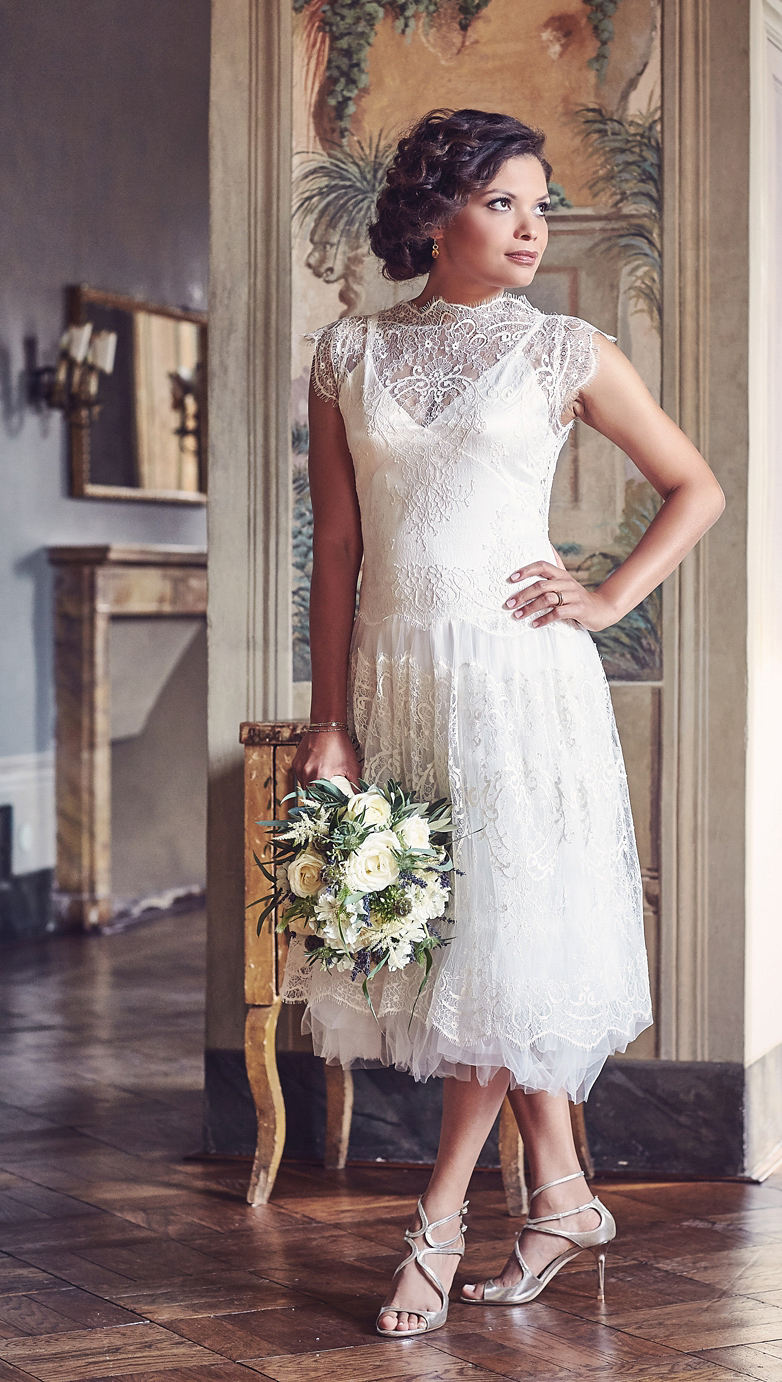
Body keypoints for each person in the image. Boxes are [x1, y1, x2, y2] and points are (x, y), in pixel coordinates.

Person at [287, 108, 724, 1338]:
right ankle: (566, 1199)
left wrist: (604, 598)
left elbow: (697, 487)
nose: (536, 227)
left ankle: (435, 1225)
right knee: (475, 955)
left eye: (543, 205)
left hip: (523, 688)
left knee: (490, 942)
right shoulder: (347, 355)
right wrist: (333, 719)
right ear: (435, 216)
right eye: (505, 204)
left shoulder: (566, 352)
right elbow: (337, 551)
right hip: (403, 689)